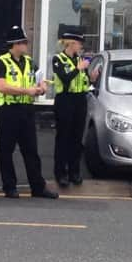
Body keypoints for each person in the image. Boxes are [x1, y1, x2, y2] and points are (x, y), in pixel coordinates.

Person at [0, 26, 58, 199]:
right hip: (7, 111)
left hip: (26, 111)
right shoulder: (1, 62)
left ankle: (38, 187)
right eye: (23, 42)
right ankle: (10, 187)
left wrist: (42, 88)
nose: (26, 45)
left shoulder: (30, 61)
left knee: (31, 151)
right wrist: (26, 91)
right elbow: (1, 86)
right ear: (14, 44)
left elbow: (40, 78)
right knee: (6, 151)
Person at [52, 28, 91, 187]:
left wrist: (92, 76)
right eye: (79, 43)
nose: (81, 47)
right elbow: (65, 77)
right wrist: (78, 68)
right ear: (71, 43)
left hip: (80, 100)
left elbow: (85, 80)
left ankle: (74, 172)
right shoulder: (58, 59)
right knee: (63, 137)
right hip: (65, 100)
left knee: (77, 138)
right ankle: (61, 172)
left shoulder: (79, 60)